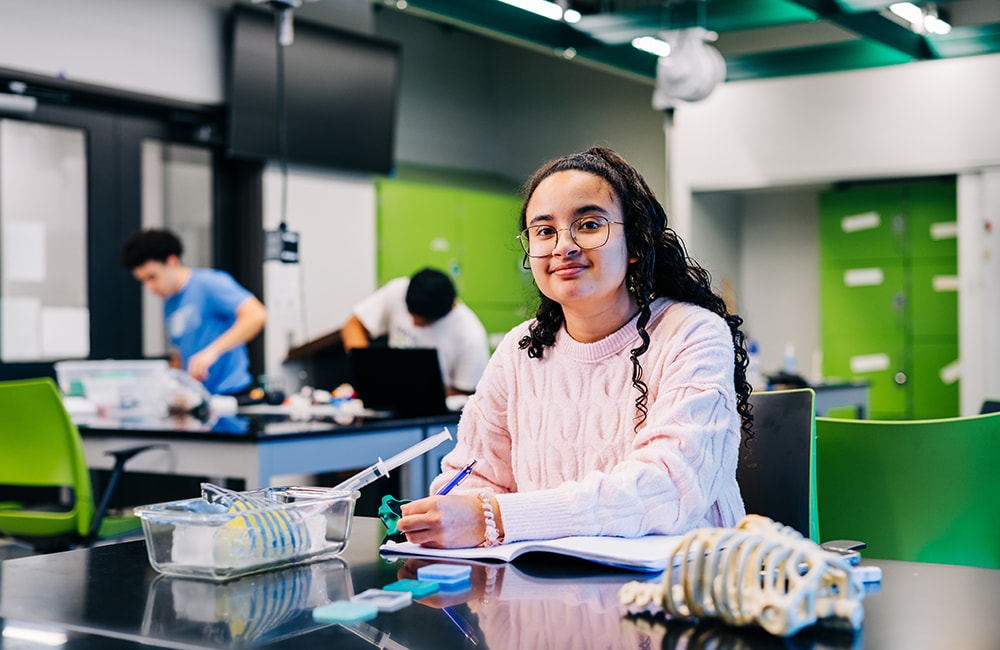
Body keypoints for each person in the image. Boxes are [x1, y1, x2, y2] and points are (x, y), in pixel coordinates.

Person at [395, 146, 752, 548]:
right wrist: (455, 515)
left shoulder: (691, 332)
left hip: (683, 587)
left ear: (635, 242)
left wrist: (495, 518)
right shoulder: (519, 350)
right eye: (545, 231)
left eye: (588, 224)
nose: (564, 246)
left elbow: (667, 486)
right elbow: (470, 477)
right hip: (547, 588)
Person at [120, 228, 267, 396]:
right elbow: (180, 353)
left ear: (172, 262)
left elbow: (256, 315)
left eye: (152, 277)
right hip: (199, 398)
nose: (149, 288)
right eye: (143, 281)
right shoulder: (169, 304)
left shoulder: (209, 283)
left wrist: (211, 352)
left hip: (230, 395)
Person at [341, 267, 489, 396]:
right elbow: (353, 325)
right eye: (410, 315)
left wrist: (413, 396)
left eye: (424, 323)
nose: (414, 324)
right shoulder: (398, 290)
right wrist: (368, 370)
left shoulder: (471, 335)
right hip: (388, 396)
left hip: (433, 412)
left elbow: (466, 392)